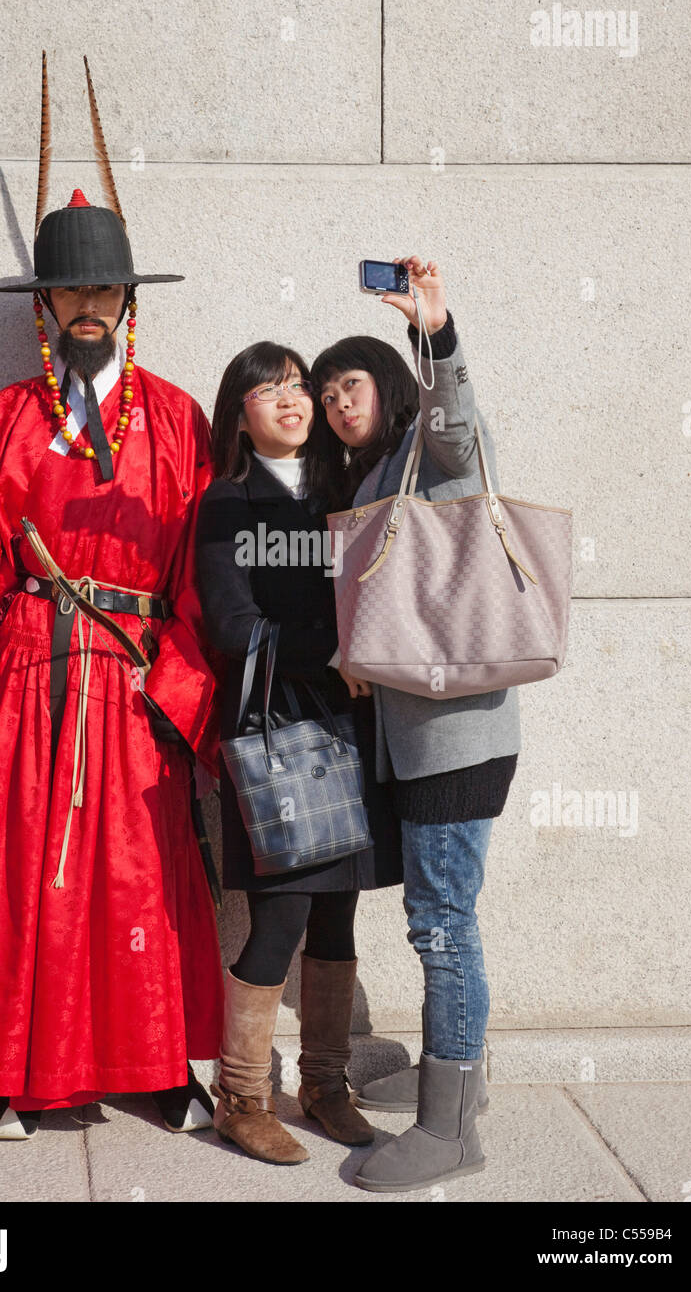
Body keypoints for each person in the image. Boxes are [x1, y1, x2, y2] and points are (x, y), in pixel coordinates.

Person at [0, 67, 223, 1142]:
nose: (87, 312)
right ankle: (5, 1072)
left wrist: (176, 689)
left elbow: (204, 576)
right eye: (67, 297)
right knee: (20, 873)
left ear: (128, 303)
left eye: (102, 296)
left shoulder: (177, 422)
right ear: (42, 307)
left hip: (133, 676)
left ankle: (154, 1064)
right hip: (31, 672)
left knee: (137, 876)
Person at [306, 254, 520, 1193]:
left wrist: (434, 331)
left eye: (350, 384)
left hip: (454, 734)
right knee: (443, 917)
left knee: (440, 923)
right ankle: (460, 1087)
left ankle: (450, 1129)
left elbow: (460, 429)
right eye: (325, 392)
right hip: (424, 734)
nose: (337, 401)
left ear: (388, 384)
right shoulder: (374, 474)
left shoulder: (428, 450)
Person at [195, 341, 402, 1165]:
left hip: (354, 729)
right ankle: (241, 1097)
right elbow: (231, 627)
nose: (291, 399)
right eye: (267, 389)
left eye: (298, 386)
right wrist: (334, 651)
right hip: (280, 731)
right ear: (238, 410)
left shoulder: (342, 488)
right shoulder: (227, 502)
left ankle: (324, 1084)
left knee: (340, 911)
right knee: (278, 916)